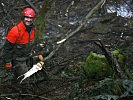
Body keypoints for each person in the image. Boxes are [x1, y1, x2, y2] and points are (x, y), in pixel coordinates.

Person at [2, 7, 44, 85]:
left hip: (27, 56)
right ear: (23, 17)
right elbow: (7, 48)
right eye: (27, 17)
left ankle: (16, 83)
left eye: (31, 18)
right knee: (24, 78)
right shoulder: (15, 31)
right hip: (18, 59)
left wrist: (38, 53)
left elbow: (32, 44)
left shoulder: (33, 29)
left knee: (34, 69)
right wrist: (8, 62)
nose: (28, 20)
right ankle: (21, 91)